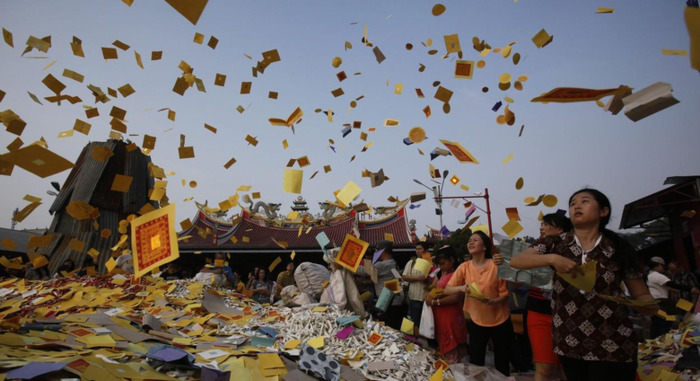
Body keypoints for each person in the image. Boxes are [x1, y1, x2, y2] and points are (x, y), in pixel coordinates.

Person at [510, 189, 658, 381]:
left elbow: (641, 294)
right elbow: (517, 261)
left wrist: (649, 305)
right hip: (569, 340)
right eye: (572, 203)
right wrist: (553, 259)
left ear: (603, 211)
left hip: (612, 340)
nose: (576, 206)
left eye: (585, 201)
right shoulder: (555, 243)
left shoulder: (617, 247)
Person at [445, 230, 512, 376]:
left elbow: (504, 294)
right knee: (476, 359)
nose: (470, 242)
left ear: (485, 247)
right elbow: (448, 289)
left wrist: (493, 301)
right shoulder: (464, 267)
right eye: (469, 240)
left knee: (502, 359)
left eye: (475, 240)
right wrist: (461, 287)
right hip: (476, 319)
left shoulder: (496, 265)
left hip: (500, 318)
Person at [526, 213, 572, 381]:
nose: (541, 227)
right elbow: (516, 280)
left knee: (567, 369)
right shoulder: (532, 250)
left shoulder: (575, 249)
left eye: (546, 224)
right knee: (545, 368)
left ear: (560, 229)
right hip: (539, 312)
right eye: (541, 224)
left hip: (569, 314)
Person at [424, 245, 468, 363]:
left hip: (451, 314)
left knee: (453, 340)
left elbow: (456, 297)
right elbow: (436, 288)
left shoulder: (458, 274)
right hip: (441, 314)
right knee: (444, 338)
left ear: (452, 260)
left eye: (443, 263)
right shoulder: (442, 273)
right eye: (439, 264)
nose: (441, 267)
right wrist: (430, 296)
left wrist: (435, 301)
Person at [358, 240, 406, 330]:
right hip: (395, 300)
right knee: (395, 327)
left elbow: (363, 271)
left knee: (389, 328)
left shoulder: (383, 265)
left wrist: (345, 265)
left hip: (388, 302)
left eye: (377, 251)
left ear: (382, 251)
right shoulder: (394, 263)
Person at [646, 256, 699, 337]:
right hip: (665, 303)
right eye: (664, 267)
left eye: (673, 270)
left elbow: (673, 287)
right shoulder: (656, 275)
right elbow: (673, 285)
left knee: (663, 322)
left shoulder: (688, 276)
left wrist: (694, 302)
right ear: (657, 266)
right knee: (664, 323)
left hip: (685, 302)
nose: (670, 271)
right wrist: (690, 289)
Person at [402, 242, 430, 333]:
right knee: (414, 322)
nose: (418, 251)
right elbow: (405, 276)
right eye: (416, 249)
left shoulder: (430, 263)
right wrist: (419, 278)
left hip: (427, 297)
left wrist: (424, 279)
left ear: (425, 250)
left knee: (426, 323)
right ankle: (416, 340)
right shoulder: (411, 262)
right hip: (413, 296)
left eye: (420, 249)